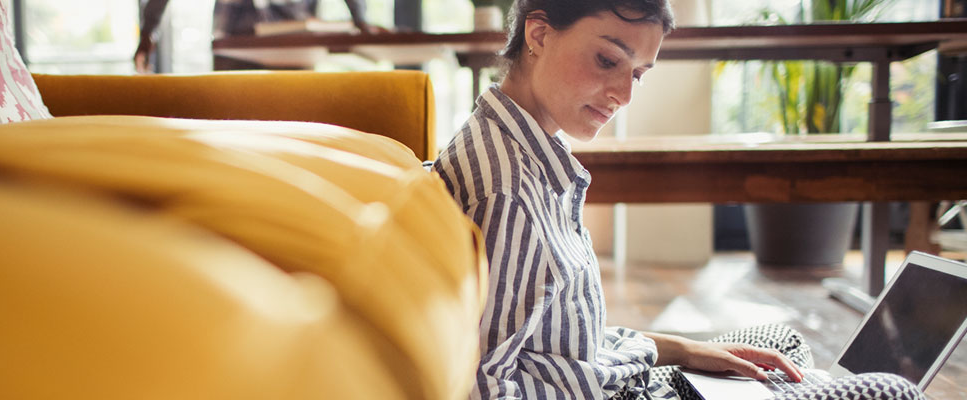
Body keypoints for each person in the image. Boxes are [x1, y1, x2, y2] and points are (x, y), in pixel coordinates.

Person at [432, 0, 926, 399]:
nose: (624, 94)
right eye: (608, 60)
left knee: (782, 344)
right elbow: (484, 383)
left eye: (639, 73)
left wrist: (687, 351)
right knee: (891, 391)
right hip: (619, 393)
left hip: (616, 372)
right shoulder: (508, 190)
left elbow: (557, 342)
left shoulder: (519, 146)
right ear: (538, 35)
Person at [133, 0, 379, 73]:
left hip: (293, 42)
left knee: (297, 132)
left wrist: (360, 18)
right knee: (234, 134)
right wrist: (149, 31)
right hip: (233, 41)